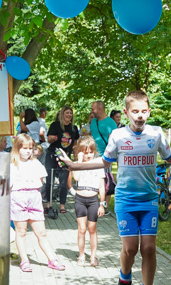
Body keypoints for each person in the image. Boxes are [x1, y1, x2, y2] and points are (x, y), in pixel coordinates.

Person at [58, 90, 171, 285]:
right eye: (135, 111)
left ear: (149, 111)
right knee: (130, 249)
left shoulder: (157, 133)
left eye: (143, 111)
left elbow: (170, 158)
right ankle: (125, 278)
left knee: (148, 248)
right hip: (126, 200)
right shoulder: (118, 136)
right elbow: (106, 162)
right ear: (127, 112)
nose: (140, 116)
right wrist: (74, 167)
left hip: (148, 199)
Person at [9, 134, 66, 272]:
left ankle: (52, 259)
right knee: (21, 231)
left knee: (41, 232)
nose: (28, 151)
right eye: (24, 148)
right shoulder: (12, 165)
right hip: (18, 197)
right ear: (17, 148)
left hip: (34, 197)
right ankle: (24, 260)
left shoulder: (35, 163)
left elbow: (40, 181)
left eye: (30, 148)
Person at [68, 136, 105, 266]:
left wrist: (102, 204)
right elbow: (76, 177)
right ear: (80, 152)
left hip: (93, 199)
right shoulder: (79, 164)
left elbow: (102, 186)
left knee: (92, 228)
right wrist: (79, 160)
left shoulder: (98, 164)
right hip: (80, 199)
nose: (88, 155)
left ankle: (93, 256)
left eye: (90, 152)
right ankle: (81, 255)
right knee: (82, 229)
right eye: (85, 152)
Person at [44, 105, 79, 217]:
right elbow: (48, 139)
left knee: (63, 182)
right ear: (62, 114)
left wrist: (76, 157)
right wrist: (53, 138)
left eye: (70, 113)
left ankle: (62, 205)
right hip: (52, 155)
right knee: (49, 180)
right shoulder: (55, 125)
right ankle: (48, 204)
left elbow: (75, 144)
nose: (69, 115)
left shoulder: (74, 128)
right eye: (67, 113)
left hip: (66, 157)